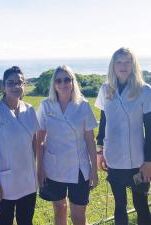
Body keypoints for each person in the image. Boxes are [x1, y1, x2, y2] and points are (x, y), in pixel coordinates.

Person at [95, 47, 151, 225]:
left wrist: (149, 162)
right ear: (113, 65)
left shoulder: (145, 91)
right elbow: (103, 123)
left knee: (141, 204)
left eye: (127, 61)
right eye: (119, 62)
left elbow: (150, 128)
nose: (123, 66)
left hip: (138, 161)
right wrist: (99, 151)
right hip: (114, 159)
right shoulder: (105, 90)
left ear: (133, 64)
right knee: (119, 205)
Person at [37, 65, 98, 225]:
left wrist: (94, 170)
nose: (63, 84)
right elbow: (39, 140)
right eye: (58, 80)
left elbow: (90, 141)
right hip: (53, 167)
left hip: (79, 168)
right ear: (54, 84)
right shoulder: (46, 105)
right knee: (59, 209)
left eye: (67, 79)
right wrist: (40, 168)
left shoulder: (83, 105)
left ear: (73, 82)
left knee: (78, 215)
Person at [0, 66, 39, 225]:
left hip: (27, 179)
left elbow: (34, 141)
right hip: (4, 181)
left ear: (24, 84)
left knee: (26, 221)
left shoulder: (29, 110)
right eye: (11, 83)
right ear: (3, 86)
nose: (16, 86)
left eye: (19, 82)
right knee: (5, 221)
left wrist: (34, 168)